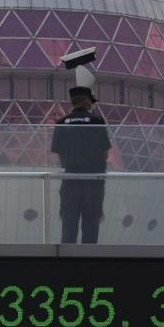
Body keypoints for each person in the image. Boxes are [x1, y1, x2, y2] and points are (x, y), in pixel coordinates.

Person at [50, 84, 112, 243]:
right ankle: (89, 262)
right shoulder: (97, 121)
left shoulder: (62, 122)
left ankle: (67, 263)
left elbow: (58, 152)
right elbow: (104, 152)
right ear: (85, 101)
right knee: (91, 226)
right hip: (93, 182)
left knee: (68, 227)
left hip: (70, 181)